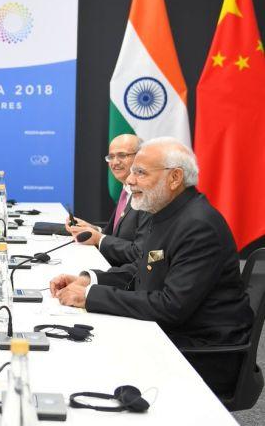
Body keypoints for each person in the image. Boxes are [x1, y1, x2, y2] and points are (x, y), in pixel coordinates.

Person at [50, 137, 253, 394]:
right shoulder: (168, 212)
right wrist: (90, 280)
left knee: (91, 350)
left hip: (204, 353)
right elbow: (143, 267)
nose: (130, 180)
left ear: (175, 178)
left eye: (140, 172)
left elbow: (171, 306)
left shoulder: (198, 226)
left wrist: (90, 297)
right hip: (175, 334)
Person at [66, 134, 151, 267]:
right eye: (111, 157)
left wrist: (99, 238)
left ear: (140, 157)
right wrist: (92, 229)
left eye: (122, 155)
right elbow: (115, 235)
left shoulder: (147, 198)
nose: (115, 162)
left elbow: (140, 252)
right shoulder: (126, 190)